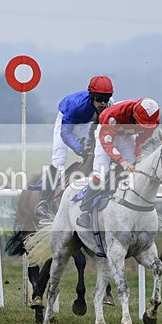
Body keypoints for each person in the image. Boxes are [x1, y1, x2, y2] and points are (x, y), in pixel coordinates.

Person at [35, 76, 114, 218]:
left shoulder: (109, 106)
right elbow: (65, 133)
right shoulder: (76, 105)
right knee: (59, 160)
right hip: (67, 122)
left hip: (88, 122)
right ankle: (43, 200)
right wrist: (80, 150)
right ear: (91, 96)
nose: (102, 103)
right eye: (98, 99)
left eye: (106, 99)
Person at [76, 97, 161, 228]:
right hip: (106, 134)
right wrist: (121, 161)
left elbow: (142, 141)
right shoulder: (114, 114)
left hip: (126, 136)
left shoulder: (153, 121)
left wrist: (138, 157)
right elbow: (107, 141)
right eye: (140, 123)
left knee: (134, 171)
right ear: (134, 114)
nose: (141, 127)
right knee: (101, 174)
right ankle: (85, 211)